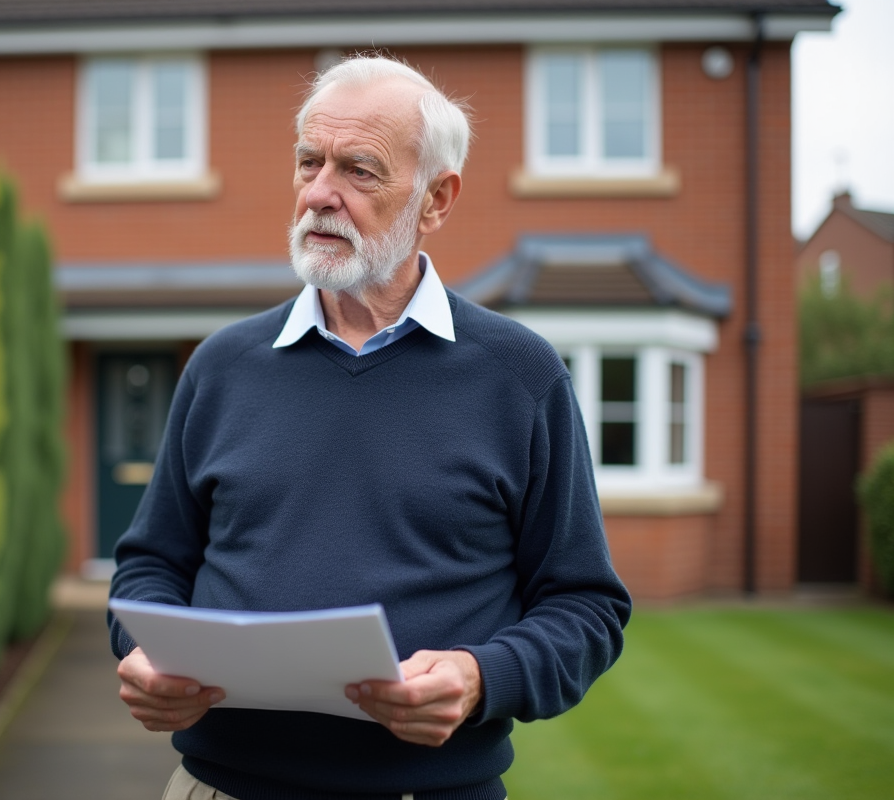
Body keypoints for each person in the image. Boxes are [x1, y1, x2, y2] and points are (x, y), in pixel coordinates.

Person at [109, 54, 631, 800]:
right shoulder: (222, 368)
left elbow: (586, 606)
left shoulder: (520, 377)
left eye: (358, 170)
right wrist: (142, 651)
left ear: (436, 199)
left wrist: (483, 677)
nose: (319, 194)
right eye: (308, 162)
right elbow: (150, 566)